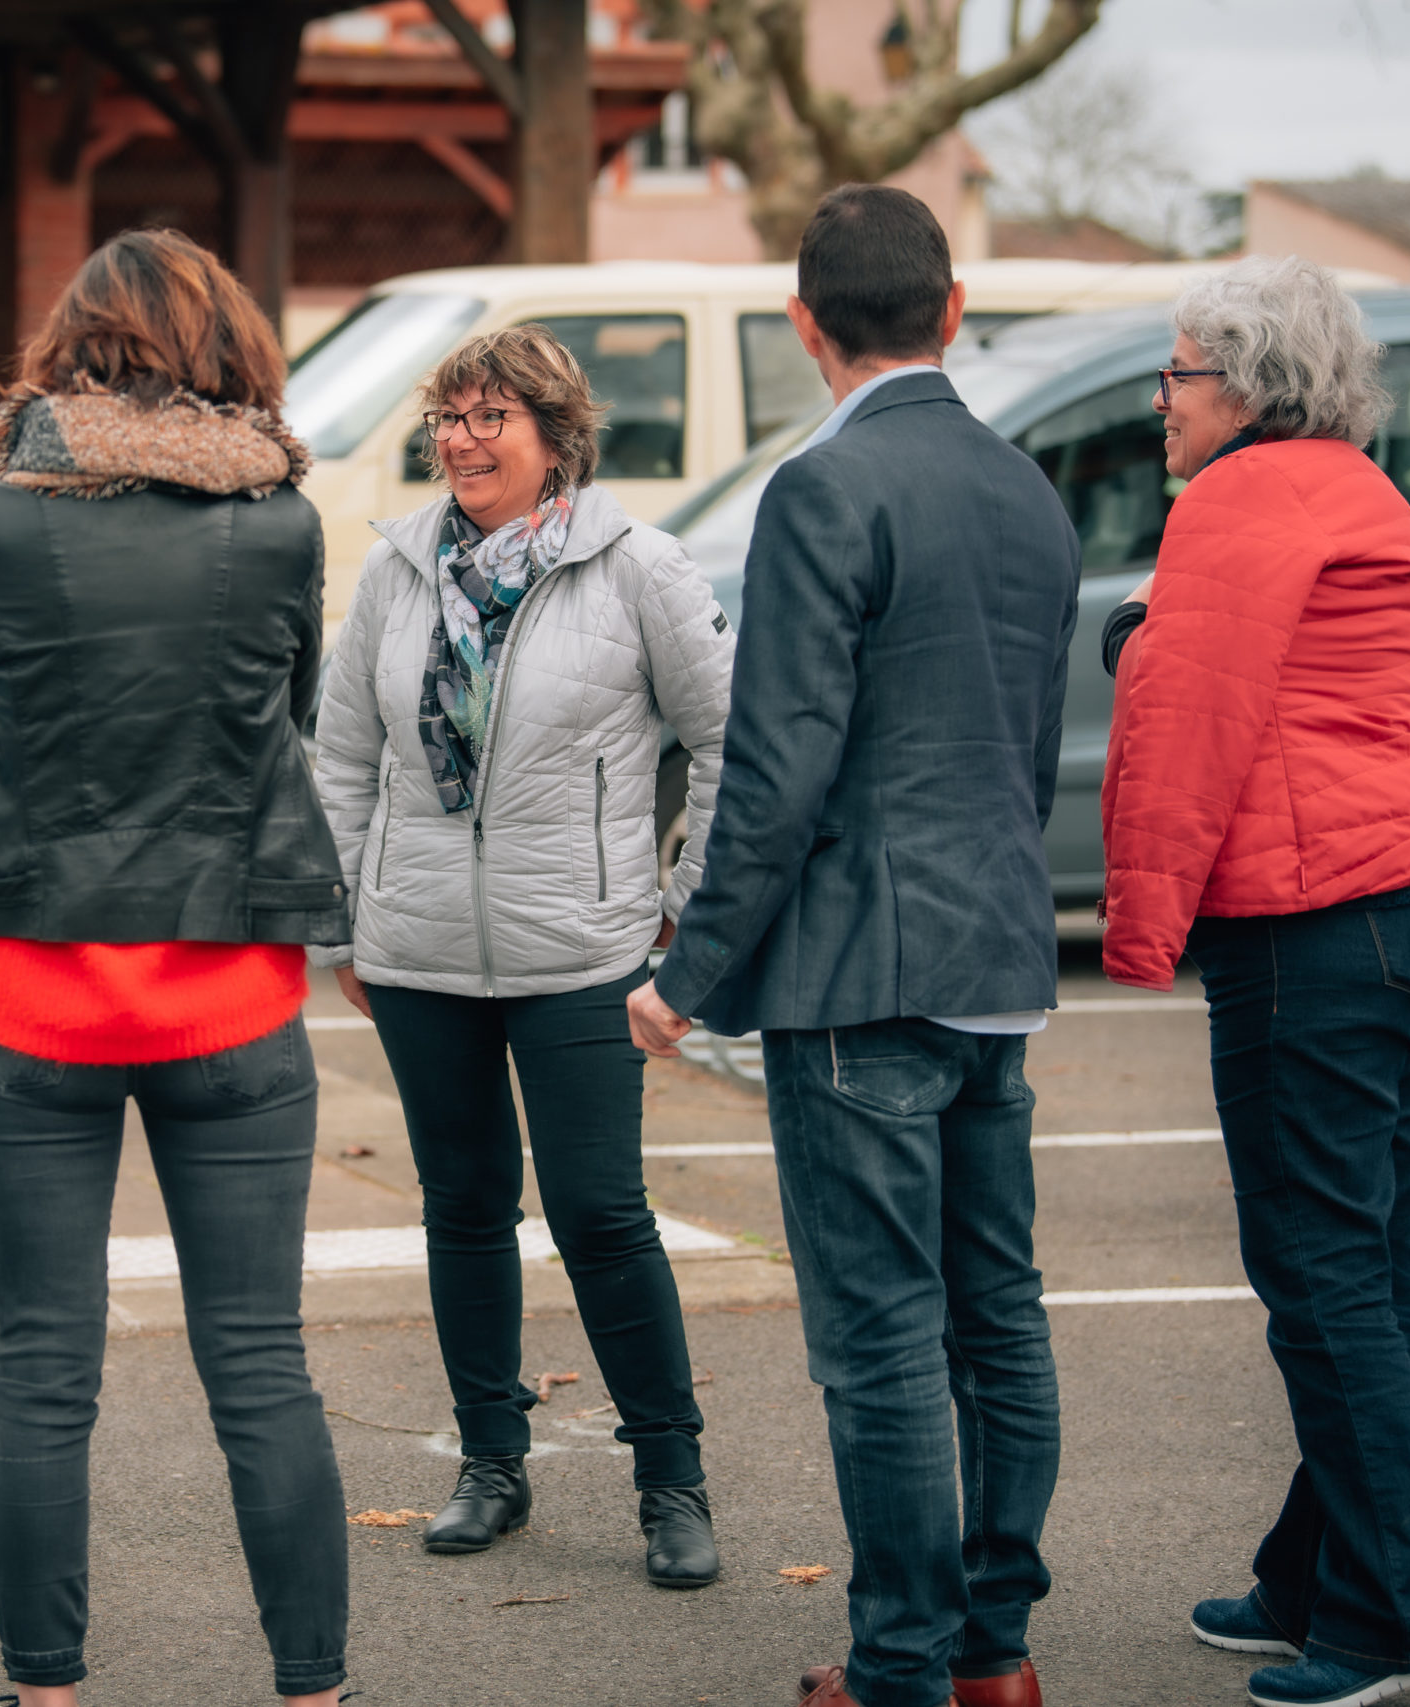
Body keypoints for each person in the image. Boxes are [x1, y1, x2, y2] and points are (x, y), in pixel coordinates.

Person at [628, 185, 1078, 1707]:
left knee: (882, 1341)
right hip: (998, 958)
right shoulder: (1029, 484)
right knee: (996, 1317)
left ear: (803, 324)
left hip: (860, 970)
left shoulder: (824, 491)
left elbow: (778, 766)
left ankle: (899, 1664)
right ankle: (993, 1652)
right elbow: (1031, 741)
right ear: (951, 311)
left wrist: (686, 974)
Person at [0, 229, 352, 1707]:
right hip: (229, 987)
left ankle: (47, 1693)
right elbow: (283, 707)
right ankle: (314, 1690)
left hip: (32, 990)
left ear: (69, 350)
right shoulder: (282, 525)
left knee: (42, 1368)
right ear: (228, 352)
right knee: (261, 1362)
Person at [1100, 256, 1410, 1707]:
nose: (1160, 401)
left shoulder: (1233, 499)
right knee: (1367, 1265)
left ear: (1250, 384)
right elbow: (1309, 685)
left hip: (1319, 920)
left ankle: (1402, 1608)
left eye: (1179, 373)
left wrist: (1139, 925)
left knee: (1323, 1274)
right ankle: (1311, 1574)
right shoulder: (1362, 490)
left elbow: (1193, 714)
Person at [312, 323, 735, 1587]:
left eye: (490, 415)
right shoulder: (394, 570)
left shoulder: (639, 568)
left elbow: (725, 744)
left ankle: (671, 1479)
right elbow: (339, 754)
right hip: (421, 948)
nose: (459, 437)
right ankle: (491, 1466)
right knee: (462, 1210)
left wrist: (682, 902)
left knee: (602, 1216)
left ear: (557, 438)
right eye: (447, 414)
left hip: (581, 950)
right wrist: (343, 917)